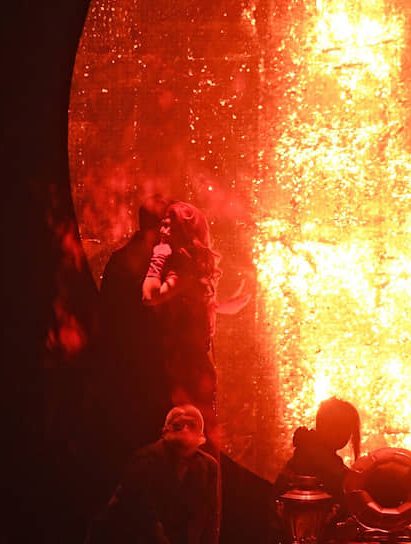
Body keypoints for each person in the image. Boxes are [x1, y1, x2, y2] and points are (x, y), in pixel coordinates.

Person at [142, 201, 249, 447]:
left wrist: (158, 257)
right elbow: (193, 307)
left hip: (186, 368)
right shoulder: (189, 266)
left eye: (170, 226)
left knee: (188, 434)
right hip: (193, 366)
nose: (163, 231)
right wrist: (221, 306)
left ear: (184, 233)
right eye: (163, 224)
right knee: (201, 432)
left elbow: (150, 296)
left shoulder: (181, 267)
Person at [97, 195, 171, 460]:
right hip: (151, 366)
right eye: (169, 223)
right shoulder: (159, 262)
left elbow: (105, 314)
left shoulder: (119, 259)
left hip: (123, 365)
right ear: (161, 226)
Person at [88, 404, 221, 544]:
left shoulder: (209, 467)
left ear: (201, 434)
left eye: (191, 425)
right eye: (178, 425)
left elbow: (210, 521)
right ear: (165, 431)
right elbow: (144, 517)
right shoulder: (145, 460)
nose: (185, 429)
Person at [274, 397, 361, 512]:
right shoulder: (314, 457)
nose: (343, 433)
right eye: (337, 426)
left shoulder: (309, 450)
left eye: (347, 428)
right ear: (321, 424)